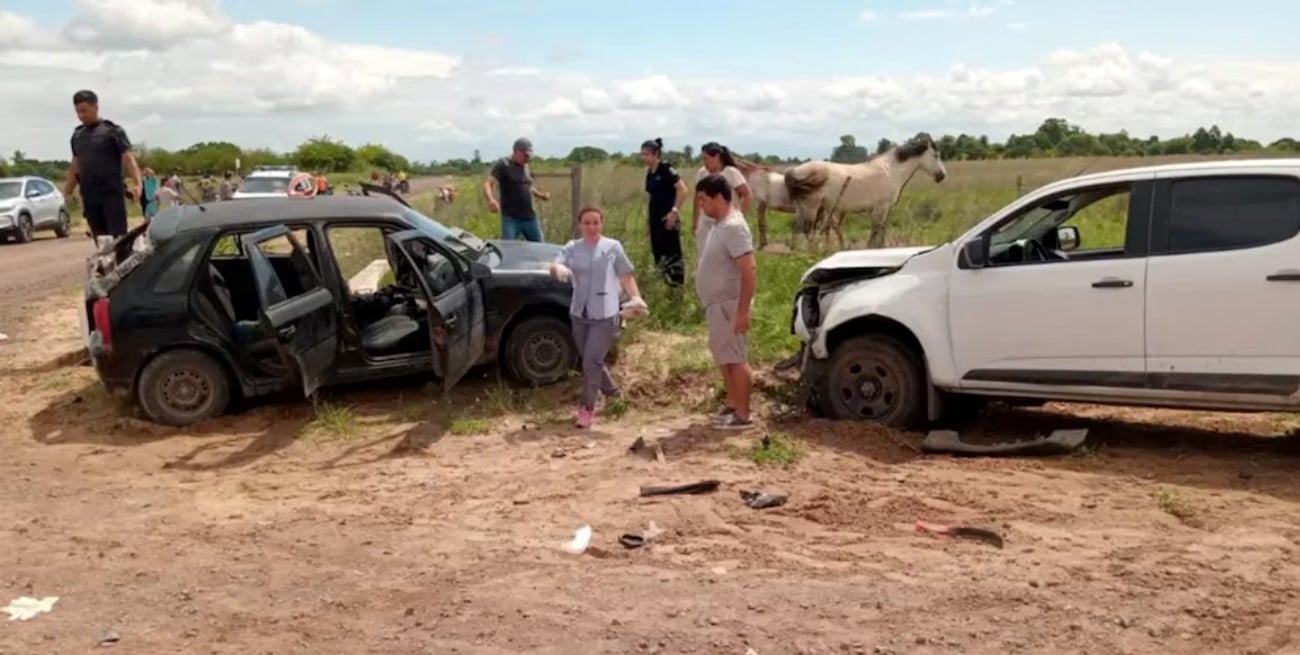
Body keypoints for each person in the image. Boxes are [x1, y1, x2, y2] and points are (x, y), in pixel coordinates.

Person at [549, 205, 647, 429]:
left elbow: (626, 275)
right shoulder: (572, 247)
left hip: (605, 313)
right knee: (591, 361)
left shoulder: (613, 247)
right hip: (579, 313)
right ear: (580, 225)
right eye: (587, 223)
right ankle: (614, 394)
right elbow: (555, 264)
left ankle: (587, 409)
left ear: (601, 224)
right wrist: (558, 270)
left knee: (591, 362)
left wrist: (636, 297)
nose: (592, 227)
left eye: (596, 222)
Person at [694, 173, 758, 430]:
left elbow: (749, 269)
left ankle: (743, 415)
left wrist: (742, 311)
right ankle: (732, 405)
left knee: (736, 359)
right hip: (718, 306)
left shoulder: (734, 227)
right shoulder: (719, 225)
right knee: (725, 358)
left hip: (730, 305)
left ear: (719, 197)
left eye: (703, 199)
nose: (701, 206)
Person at [64, 89, 142, 249]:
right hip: (89, 193)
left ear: (95, 107)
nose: (81, 115)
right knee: (99, 237)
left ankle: (123, 266)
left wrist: (137, 183)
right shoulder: (77, 136)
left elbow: (128, 158)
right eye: (78, 111)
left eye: (84, 111)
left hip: (111, 191)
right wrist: (68, 190)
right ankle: (106, 268)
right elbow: (75, 164)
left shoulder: (112, 131)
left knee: (118, 236)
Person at [484, 137, 551, 242]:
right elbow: (488, 183)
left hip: (530, 217)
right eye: (525, 155)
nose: (528, 159)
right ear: (516, 151)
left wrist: (540, 195)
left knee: (540, 247)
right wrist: (491, 200)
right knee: (508, 249)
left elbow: (526, 186)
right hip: (511, 219)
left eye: (529, 156)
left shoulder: (525, 166)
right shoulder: (503, 164)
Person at [641, 138, 688, 287]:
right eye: (642, 154)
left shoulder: (666, 169)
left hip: (668, 219)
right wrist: (648, 223)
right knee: (659, 254)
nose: (644, 157)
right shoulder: (650, 173)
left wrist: (674, 212)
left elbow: (683, 190)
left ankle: (677, 288)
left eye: (647, 154)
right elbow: (652, 198)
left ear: (657, 154)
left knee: (672, 254)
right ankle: (666, 285)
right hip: (655, 218)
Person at [692, 142, 751, 258]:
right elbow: (697, 199)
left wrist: (740, 217)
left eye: (706, 159)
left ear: (717, 157)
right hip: (705, 223)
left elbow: (747, 195)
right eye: (703, 159)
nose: (704, 163)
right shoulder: (702, 173)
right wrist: (695, 223)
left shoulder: (731, 173)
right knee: (704, 257)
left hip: (726, 223)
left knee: (726, 257)